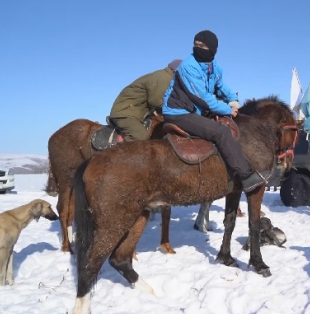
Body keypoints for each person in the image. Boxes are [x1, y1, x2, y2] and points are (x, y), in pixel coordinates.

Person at [161, 30, 265, 193]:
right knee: (220, 132)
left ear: (212, 49)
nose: (197, 48)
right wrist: (228, 109)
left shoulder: (214, 67)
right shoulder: (188, 66)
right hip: (178, 112)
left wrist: (233, 100)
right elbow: (201, 98)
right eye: (195, 44)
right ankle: (246, 176)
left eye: (202, 45)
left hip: (195, 111)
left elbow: (221, 86)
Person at [109, 59, 182, 141]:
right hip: (126, 112)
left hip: (134, 111)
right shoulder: (164, 78)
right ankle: (118, 149)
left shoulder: (165, 76)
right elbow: (157, 102)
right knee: (140, 137)